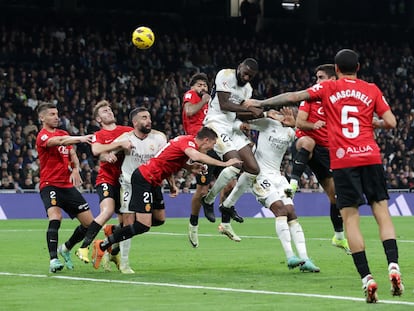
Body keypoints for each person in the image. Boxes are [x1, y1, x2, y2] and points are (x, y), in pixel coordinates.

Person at [244, 49, 403, 303]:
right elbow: (392, 122)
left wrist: (261, 104)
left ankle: (367, 278)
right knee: (382, 212)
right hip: (370, 157)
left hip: (343, 159)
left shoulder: (328, 88)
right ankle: (393, 266)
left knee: (351, 219)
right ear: (358, 67)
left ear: (336, 70)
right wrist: (375, 124)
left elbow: (293, 96)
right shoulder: (371, 89)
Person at [91, 127, 243, 268]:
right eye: (212, 144)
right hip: (144, 178)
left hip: (154, 180)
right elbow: (195, 155)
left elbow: (172, 158)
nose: (211, 148)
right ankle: (103, 245)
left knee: (159, 219)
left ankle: (114, 232)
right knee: (142, 226)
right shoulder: (188, 142)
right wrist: (225, 164)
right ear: (206, 140)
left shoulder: (186, 143)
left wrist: (190, 167)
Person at [235, 108, 320, 272]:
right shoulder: (267, 123)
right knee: (280, 210)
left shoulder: (290, 131)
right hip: (260, 175)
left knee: (291, 212)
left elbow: (304, 144)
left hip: (279, 177)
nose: (285, 116)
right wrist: (264, 114)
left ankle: (305, 258)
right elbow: (242, 118)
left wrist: (294, 126)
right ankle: (290, 256)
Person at [290, 64, 350, 254]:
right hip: (306, 142)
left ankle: (339, 237)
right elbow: (299, 122)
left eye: (321, 77)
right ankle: (292, 184)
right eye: (316, 77)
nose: (317, 81)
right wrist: (313, 125)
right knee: (307, 143)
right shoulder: (311, 96)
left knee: (336, 197)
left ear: (332, 80)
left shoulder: (340, 102)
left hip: (326, 151)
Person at [201, 58, 264, 241]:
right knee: (235, 164)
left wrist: (257, 113)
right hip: (216, 124)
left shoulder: (248, 89)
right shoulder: (225, 75)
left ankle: (227, 205)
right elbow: (224, 104)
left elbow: (237, 113)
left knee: (253, 169)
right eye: (245, 73)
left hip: (232, 126)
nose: (246, 77)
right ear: (239, 67)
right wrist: (252, 110)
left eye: (250, 76)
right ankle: (209, 199)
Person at [100, 107, 167, 273]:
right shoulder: (125, 138)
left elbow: (165, 161)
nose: (149, 121)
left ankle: (114, 233)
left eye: (149, 117)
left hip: (153, 183)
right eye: (144, 118)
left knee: (158, 220)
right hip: (129, 183)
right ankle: (124, 263)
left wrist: (171, 183)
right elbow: (103, 153)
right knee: (130, 221)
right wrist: (108, 156)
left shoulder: (159, 138)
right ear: (135, 122)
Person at [36, 102, 94, 273]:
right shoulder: (43, 136)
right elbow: (60, 141)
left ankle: (66, 248)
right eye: (52, 114)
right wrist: (81, 138)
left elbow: (72, 153)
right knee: (55, 217)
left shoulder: (64, 133)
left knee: (89, 224)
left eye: (57, 113)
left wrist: (75, 169)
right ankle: (53, 259)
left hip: (67, 185)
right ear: (42, 117)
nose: (56, 116)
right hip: (49, 184)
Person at [75, 100, 133, 269]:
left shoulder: (126, 131)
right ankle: (84, 247)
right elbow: (96, 151)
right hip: (106, 179)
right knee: (107, 210)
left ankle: (109, 246)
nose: (109, 112)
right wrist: (111, 151)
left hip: (125, 182)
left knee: (126, 225)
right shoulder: (98, 135)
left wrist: (114, 150)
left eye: (109, 109)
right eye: (104, 111)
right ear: (98, 119)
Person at [182, 72, 234, 247]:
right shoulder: (191, 96)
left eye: (205, 85)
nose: (203, 88)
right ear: (192, 87)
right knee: (202, 189)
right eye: (199, 85)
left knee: (230, 182)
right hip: (199, 145)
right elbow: (189, 111)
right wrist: (203, 100)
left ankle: (225, 221)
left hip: (214, 143)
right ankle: (193, 224)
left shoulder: (210, 104)